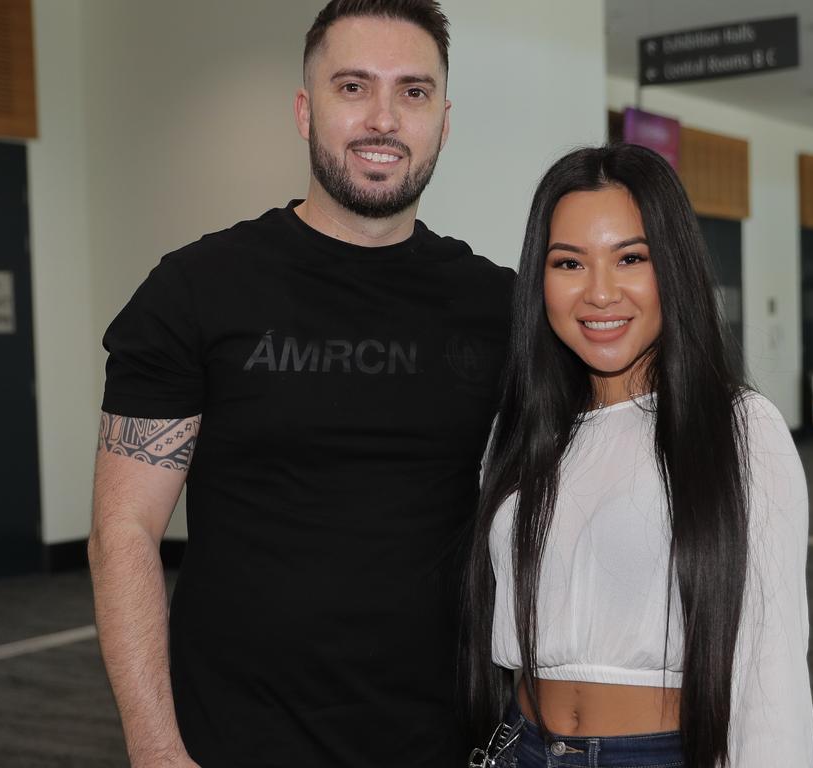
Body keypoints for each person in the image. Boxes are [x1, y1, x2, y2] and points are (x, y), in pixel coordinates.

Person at [89, 1, 513, 766]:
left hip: (443, 737)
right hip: (233, 740)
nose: (383, 118)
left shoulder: (497, 306)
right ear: (303, 109)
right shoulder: (195, 291)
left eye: (413, 92)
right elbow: (124, 534)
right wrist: (155, 750)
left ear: (443, 121)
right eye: (353, 87)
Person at [463, 144, 813, 768]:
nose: (600, 293)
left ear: (672, 269)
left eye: (630, 258)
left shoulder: (739, 430)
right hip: (520, 745)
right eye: (569, 263)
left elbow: (771, 671)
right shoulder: (518, 432)